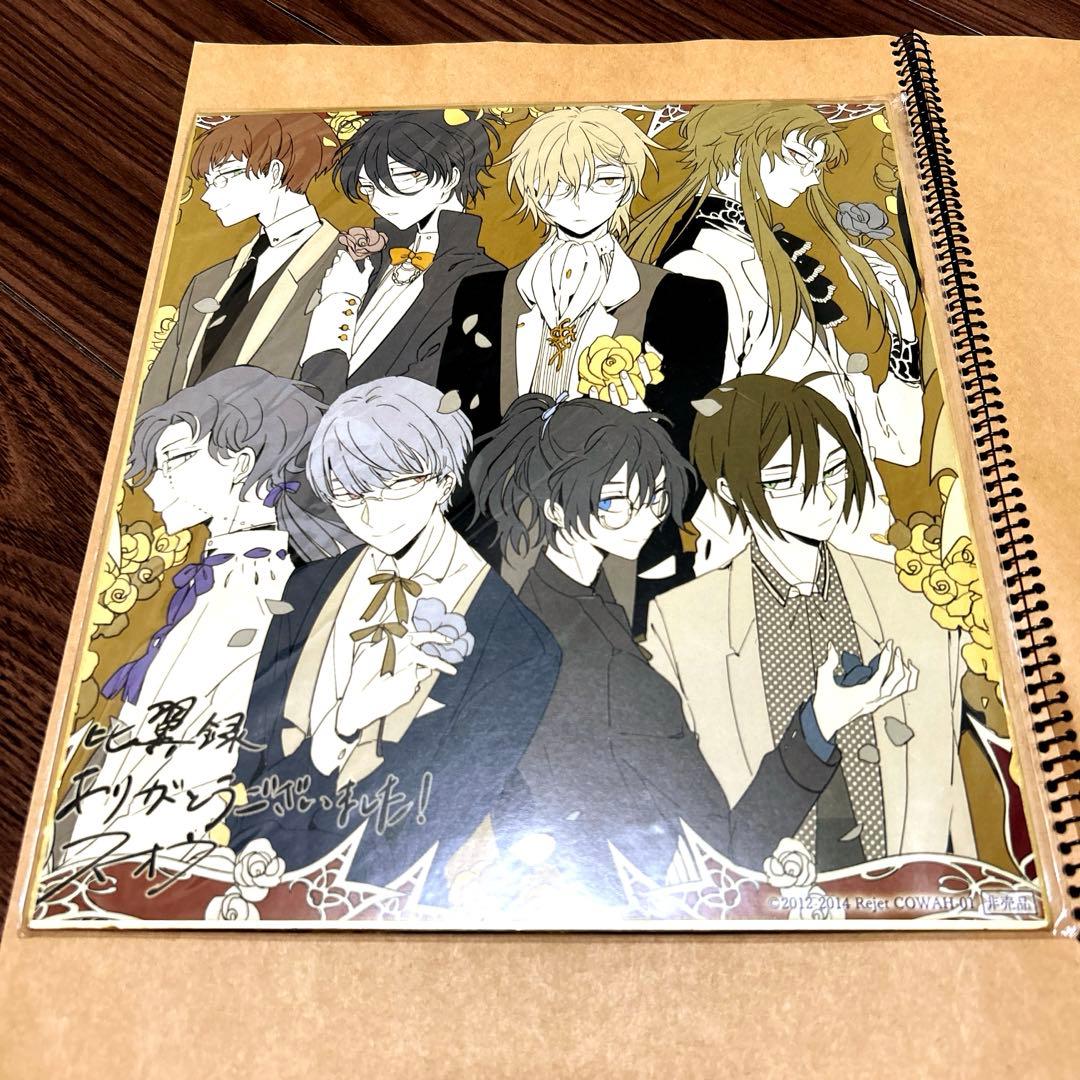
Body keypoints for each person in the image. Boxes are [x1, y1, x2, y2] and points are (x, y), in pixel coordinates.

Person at [471, 393, 854, 904]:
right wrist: (820, 722)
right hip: (645, 896)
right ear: (555, 507)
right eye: (613, 503)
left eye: (652, 497)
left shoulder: (550, 602)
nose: (643, 519)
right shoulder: (604, 667)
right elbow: (733, 844)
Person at [226, 377, 561, 905]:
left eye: (390, 486)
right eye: (348, 492)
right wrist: (338, 728)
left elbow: (441, 818)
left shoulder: (520, 645)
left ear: (442, 479)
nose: (367, 511)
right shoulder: (307, 589)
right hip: (258, 871)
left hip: (381, 899)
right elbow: (252, 760)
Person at [643, 374, 975, 871]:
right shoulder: (682, 621)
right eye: (786, 480)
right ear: (731, 489)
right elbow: (685, 808)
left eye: (835, 469)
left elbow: (950, 784)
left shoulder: (910, 599)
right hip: (764, 890)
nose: (821, 495)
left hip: (905, 886)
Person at [438, 106, 728, 622]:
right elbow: (457, 421)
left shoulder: (689, 301)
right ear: (532, 189)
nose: (581, 200)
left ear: (629, 184)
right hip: (494, 527)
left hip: (620, 528)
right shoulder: (482, 294)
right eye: (560, 184)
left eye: (605, 180)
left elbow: (692, 435)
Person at [61, 369, 352, 868]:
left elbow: (192, 749)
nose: (157, 479)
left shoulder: (255, 590)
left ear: (240, 464)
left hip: (152, 847)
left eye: (176, 459)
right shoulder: (221, 572)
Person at [628, 102, 924, 570]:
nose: (811, 178)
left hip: (838, 501)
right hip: (777, 508)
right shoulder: (701, 266)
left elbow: (893, 442)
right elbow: (706, 417)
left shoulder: (764, 252)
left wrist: (901, 324)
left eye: (816, 165)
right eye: (799, 158)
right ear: (737, 151)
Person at [138, 113, 344, 414]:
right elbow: (154, 395)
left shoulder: (346, 263)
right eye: (209, 182)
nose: (208, 196)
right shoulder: (207, 282)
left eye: (223, 178)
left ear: (273, 171)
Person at [299, 110, 503, 398]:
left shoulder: (483, 281)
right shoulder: (373, 258)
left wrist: (339, 300)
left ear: (450, 178)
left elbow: (418, 400)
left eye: (396, 179)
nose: (378, 201)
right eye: (368, 187)